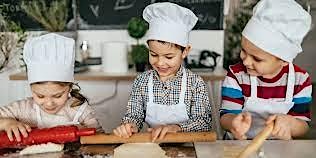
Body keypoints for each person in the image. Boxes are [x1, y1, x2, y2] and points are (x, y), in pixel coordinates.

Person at [113, 2, 212, 141]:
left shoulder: (195, 83)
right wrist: (130, 126)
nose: (160, 63)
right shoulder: (142, 82)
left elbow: (204, 122)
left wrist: (177, 128)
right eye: (153, 55)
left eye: (169, 57)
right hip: (153, 147)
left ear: (185, 51)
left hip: (190, 148)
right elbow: (134, 115)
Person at [220, 0, 312, 140]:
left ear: (283, 61)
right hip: (238, 146)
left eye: (257, 59)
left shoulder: (300, 80)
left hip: (279, 149)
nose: (246, 61)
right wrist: (233, 122)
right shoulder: (237, 75)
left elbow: (303, 126)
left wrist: (291, 124)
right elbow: (225, 116)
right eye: (243, 51)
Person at [0, 33, 102, 142]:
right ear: (31, 89)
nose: (49, 103)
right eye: (40, 96)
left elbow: (101, 139)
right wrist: (7, 123)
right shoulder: (23, 109)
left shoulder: (81, 110)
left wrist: (86, 133)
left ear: (70, 87)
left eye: (58, 96)